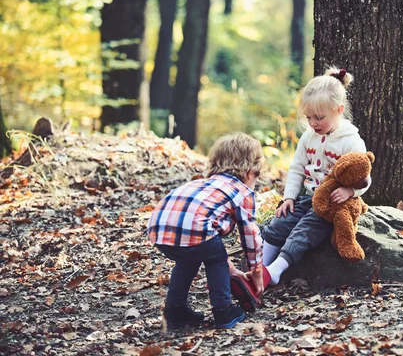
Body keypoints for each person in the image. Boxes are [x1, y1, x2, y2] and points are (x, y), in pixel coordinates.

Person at [262, 67, 371, 284]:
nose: (313, 123)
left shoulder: (351, 141)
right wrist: (289, 198)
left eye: (319, 118)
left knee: (303, 232)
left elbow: (364, 176)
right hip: (308, 198)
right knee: (279, 223)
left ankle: (275, 270)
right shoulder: (308, 137)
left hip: (330, 206)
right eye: (309, 117)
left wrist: (350, 190)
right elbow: (297, 168)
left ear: (339, 110)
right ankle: (261, 266)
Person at [147, 132, 265, 330]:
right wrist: (256, 270)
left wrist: (232, 270)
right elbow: (250, 234)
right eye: (257, 176)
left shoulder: (203, 185)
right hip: (194, 230)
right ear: (249, 172)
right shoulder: (242, 191)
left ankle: (174, 311)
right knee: (215, 260)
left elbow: (207, 238)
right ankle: (223, 311)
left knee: (187, 260)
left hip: (159, 228)